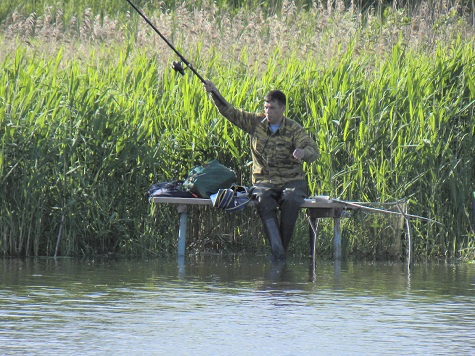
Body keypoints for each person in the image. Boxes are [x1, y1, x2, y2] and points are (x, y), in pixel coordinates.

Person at [203, 80, 319, 260]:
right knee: (263, 200)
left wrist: (302, 152)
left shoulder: (294, 129)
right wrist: (214, 93)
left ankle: (279, 253)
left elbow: (313, 151)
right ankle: (278, 253)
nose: (267, 112)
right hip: (264, 180)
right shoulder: (256, 123)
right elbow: (231, 113)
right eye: (265, 107)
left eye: (272, 108)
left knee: (291, 200)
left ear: (282, 109)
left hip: (291, 180)